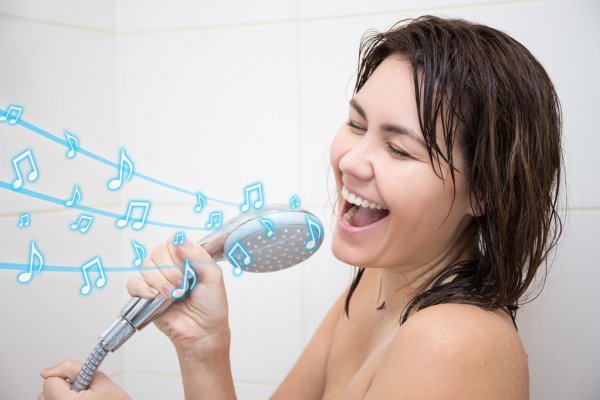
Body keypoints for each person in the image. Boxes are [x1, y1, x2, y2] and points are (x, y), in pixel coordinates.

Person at [38, 15, 563, 400]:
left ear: (485, 191)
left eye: (399, 149)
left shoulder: (453, 340)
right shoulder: (372, 290)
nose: (352, 161)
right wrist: (204, 348)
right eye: (357, 125)